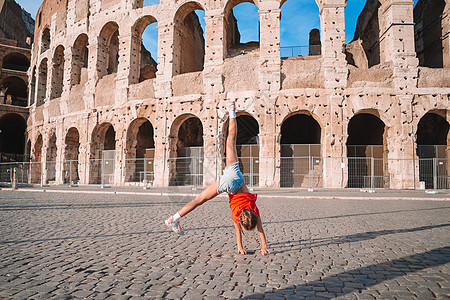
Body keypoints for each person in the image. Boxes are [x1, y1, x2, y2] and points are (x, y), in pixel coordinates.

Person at [165, 102, 270, 255]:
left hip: (236, 177)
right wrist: (242, 247)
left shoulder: (253, 210)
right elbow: (239, 230)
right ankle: (173, 219)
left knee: (230, 141)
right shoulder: (238, 215)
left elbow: (260, 227)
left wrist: (264, 245)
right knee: (199, 200)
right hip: (228, 184)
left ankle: (232, 112)